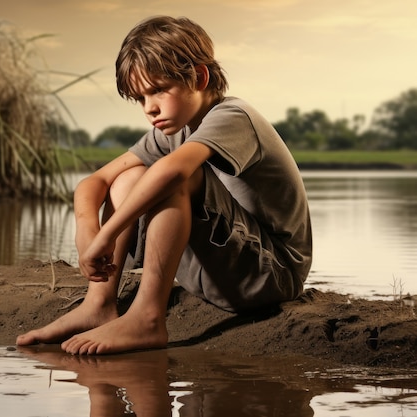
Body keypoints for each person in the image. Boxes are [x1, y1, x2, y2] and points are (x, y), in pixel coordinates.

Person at [16, 15, 312, 355]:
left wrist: (108, 233)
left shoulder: (233, 117)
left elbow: (173, 173)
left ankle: (148, 318)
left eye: (158, 90)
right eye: (140, 98)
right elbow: (94, 181)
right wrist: (87, 229)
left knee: (172, 175)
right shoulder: (174, 130)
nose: (149, 108)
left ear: (199, 77)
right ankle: (99, 304)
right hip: (217, 274)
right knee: (129, 177)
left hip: (270, 275)